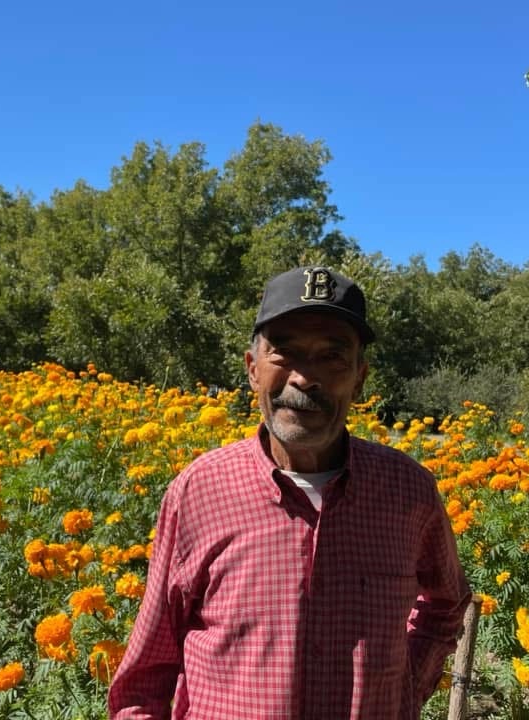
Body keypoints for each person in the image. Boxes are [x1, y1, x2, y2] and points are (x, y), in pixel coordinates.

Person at [108, 266, 472, 719]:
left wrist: (404, 692)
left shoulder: (408, 492)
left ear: (359, 378)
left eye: (331, 357)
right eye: (285, 353)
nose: (304, 377)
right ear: (252, 370)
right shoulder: (199, 491)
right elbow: (144, 678)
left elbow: (447, 604)